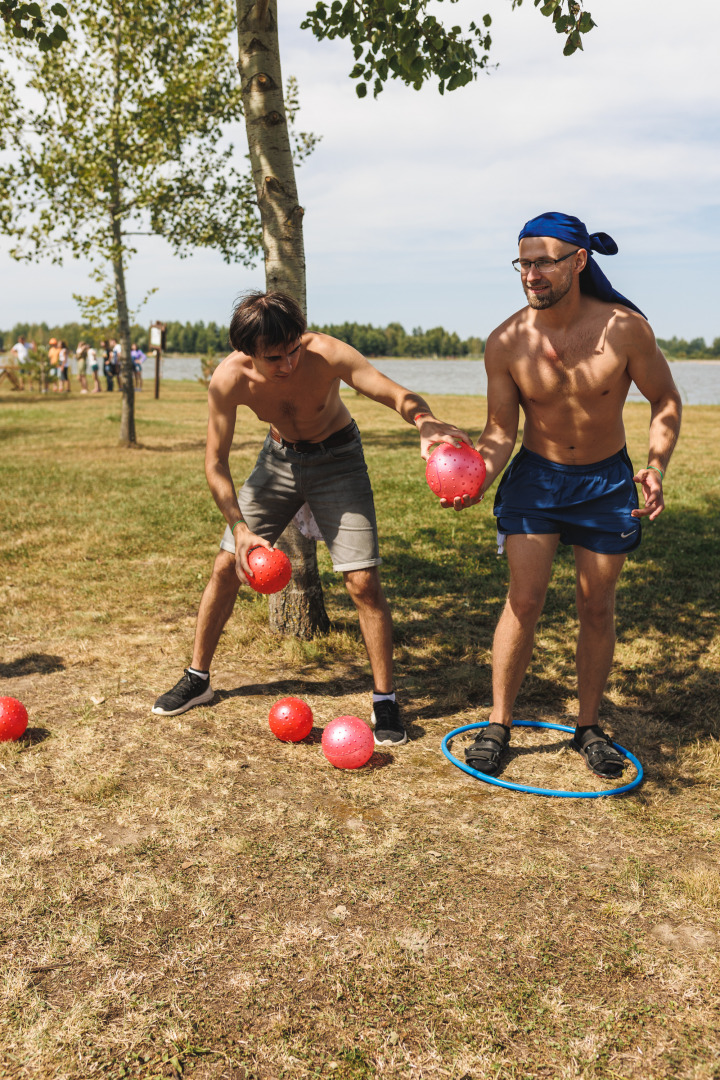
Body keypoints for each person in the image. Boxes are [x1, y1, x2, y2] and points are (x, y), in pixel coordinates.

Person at [152, 290, 471, 745]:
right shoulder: (227, 379)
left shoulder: (324, 353)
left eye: (293, 349)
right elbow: (215, 463)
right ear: (248, 353)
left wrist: (423, 420)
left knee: (363, 582)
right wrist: (240, 530)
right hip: (277, 462)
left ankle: (385, 699)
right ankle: (197, 678)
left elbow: (393, 392)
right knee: (226, 565)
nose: (288, 364)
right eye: (274, 357)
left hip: (338, 459)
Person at [450, 212, 682, 779]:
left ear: (579, 261)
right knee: (523, 602)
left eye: (543, 262)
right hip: (536, 479)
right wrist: (477, 471)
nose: (531, 274)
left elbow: (666, 401)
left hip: (607, 483)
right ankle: (498, 723)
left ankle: (588, 727)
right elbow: (501, 430)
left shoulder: (626, 329)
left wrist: (655, 466)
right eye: (523, 263)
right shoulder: (505, 342)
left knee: (596, 605)